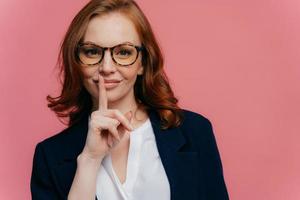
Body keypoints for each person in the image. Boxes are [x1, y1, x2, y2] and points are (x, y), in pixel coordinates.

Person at [30, 0, 229, 199]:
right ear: (76, 61)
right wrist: (90, 160)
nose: (107, 67)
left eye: (124, 52)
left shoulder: (195, 132)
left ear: (142, 62)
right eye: (92, 52)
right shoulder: (50, 156)